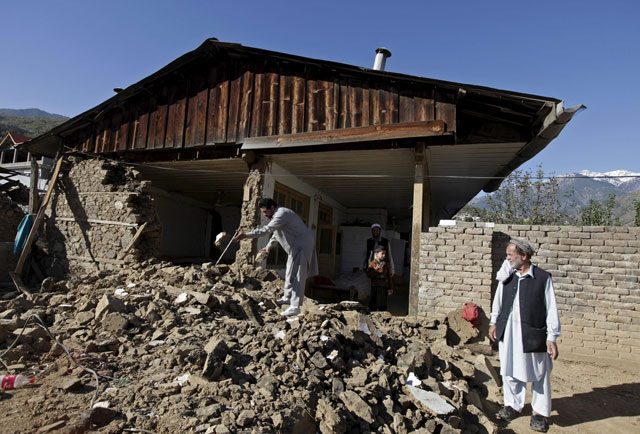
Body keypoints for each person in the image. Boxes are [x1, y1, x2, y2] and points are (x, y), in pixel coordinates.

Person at [489, 239, 561, 433]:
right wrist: (493, 322)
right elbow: (498, 300)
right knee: (509, 369)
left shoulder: (542, 278)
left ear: (524, 256)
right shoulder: (508, 276)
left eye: (511, 254)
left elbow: (551, 308)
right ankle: (512, 405)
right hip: (509, 332)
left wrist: (551, 337)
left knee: (539, 373)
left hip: (533, 333)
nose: (507, 258)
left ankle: (539, 413)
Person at [233, 198, 318, 316]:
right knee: (290, 273)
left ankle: (295, 306)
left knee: (298, 275)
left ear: (272, 207)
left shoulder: (282, 213)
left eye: (265, 212)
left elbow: (267, 230)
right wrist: (268, 247)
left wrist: (246, 235)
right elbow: (276, 234)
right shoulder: (277, 216)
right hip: (295, 247)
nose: (264, 214)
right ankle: (287, 298)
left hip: (301, 246)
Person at [366, 245, 393, 311]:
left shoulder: (385, 264)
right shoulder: (372, 264)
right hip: (375, 287)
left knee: (383, 305)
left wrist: (390, 288)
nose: (384, 255)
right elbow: (369, 275)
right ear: (376, 254)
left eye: (385, 254)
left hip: (383, 287)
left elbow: (388, 277)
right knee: (373, 305)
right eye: (382, 253)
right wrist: (375, 270)